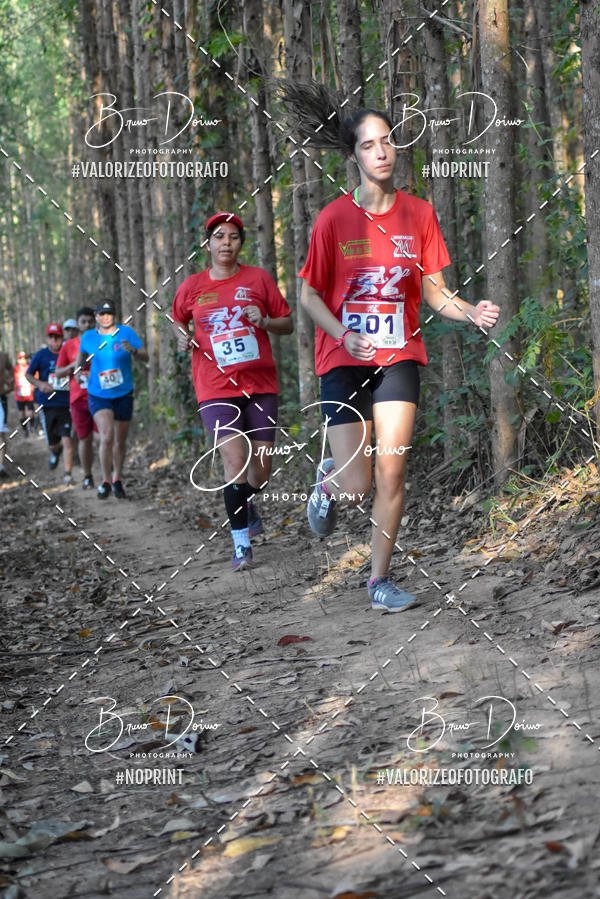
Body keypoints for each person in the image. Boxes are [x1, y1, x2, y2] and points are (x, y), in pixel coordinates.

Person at [289, 88, 500, 612]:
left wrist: (470, 311)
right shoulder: (333, 220)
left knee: (392, 470)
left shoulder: (419, 215)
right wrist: (341, 333)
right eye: (368, 145)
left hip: (398, 357)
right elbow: (307, 295)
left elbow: (433, 291)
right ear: (354, 157)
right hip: (342, 359)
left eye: (387, 141)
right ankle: (329, 482)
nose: (381, 151)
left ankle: (378, 582)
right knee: (357, 487)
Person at [171, 212, 293, 572]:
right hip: (214, 386)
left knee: (262, 469)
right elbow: (176, 319)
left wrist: (266, 321)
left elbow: (285, 321)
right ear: (208, 244)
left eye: (234, 237)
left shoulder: (258, 279)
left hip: (260, 384)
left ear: (241, 243)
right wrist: (181, 336)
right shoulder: (192, 286)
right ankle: (241, 544)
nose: (227, 243)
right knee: (235, 460)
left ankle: (246, 502)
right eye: (220, 237)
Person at [75, 299, 148, 499]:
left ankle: (117, 479)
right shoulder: (89, 336)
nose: (105, 317)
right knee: (107, 436)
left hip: (124, 393)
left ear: (114, 315)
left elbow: (146, 356)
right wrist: (77, 369)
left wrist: (133, 351)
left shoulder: (126, 333)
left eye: (109, 313)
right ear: (96, 316)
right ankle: (105, 480)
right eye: (102, 314)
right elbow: (81, 357)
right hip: (99, 394)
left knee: (120, 441)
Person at [26, 323, 74, 483]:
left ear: (62, 338)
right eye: (51, 337)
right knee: (53, 443)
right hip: (46, 404)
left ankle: (68, 474)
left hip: (66, 403)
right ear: (48, 338)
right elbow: (29, 375)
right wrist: (40, 384)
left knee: (67, 438)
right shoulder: (41, 355)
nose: (54, 340)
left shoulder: (68, 352)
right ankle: (55, 451)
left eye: (57, 337)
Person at [56, 307, 97, 488]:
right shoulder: (68, 346)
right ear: (77, 323)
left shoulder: (101, 341)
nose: (87, 324)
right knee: (84, 438)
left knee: (104, 437)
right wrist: (73, 366)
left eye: (90, 321)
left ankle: (109, 477)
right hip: (78, 398)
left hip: (102, 395)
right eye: (83, 321)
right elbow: (58, 372)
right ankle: (88, 476)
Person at [13, 351, 36, 437]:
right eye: (20, 358)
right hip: (19, 396)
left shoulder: (30, 368)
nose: (22, 360)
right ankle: (25, 430)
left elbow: (35, 377)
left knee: (30, 413)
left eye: (24, 358)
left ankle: (32, 426)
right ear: (18, 360)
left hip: (29, 395)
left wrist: (33, 386)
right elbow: (12, 379)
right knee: (22, 415)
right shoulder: (15, 369)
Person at [0, 347, 14, 477]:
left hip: (1, 398)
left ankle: (1, 465)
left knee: (0, 433)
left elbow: (10, 370)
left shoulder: (3, 356)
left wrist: (11, 383)